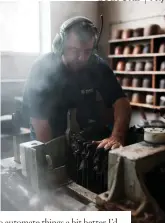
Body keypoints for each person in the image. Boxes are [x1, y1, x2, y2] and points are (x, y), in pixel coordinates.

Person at [23, 16, 131, 150]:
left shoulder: (96, 65)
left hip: (82, 140)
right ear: (60, 45)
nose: (82, 58)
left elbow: (121, 102)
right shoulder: (42, 69)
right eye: (74, 50)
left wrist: (117, 137)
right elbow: (40, 123)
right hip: (48, 139)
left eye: (87, 51)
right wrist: (53, 156)